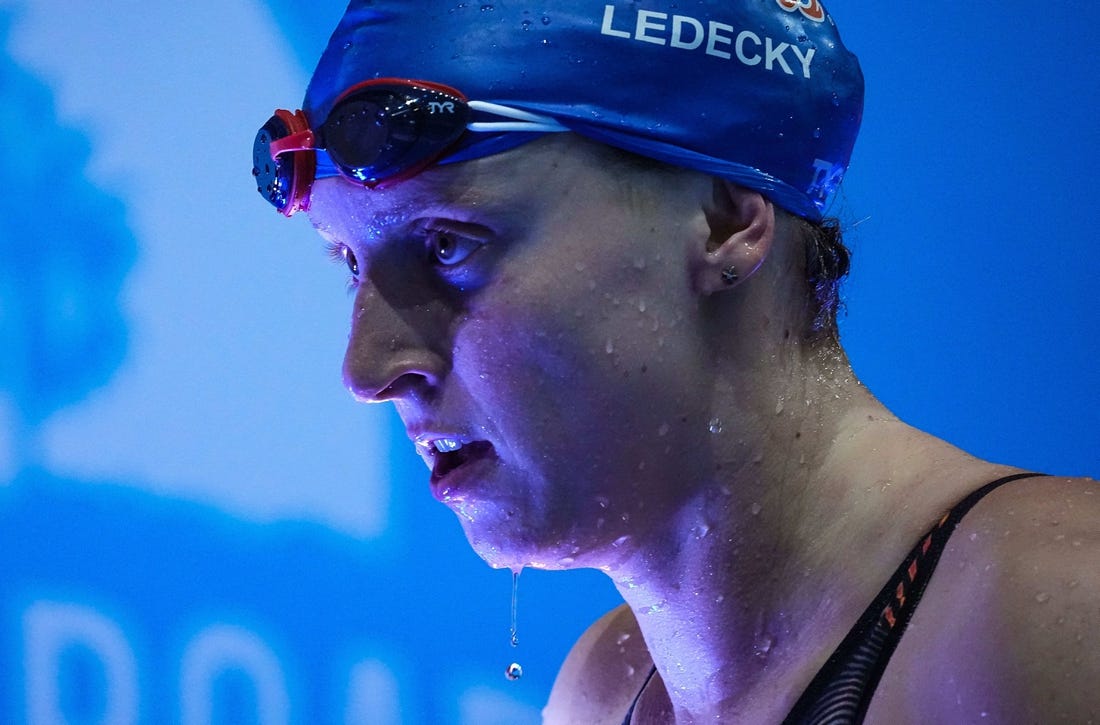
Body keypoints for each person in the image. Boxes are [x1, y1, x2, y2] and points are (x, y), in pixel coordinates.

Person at [251, 2, 1098, 722]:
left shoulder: (1053, 612)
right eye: (351, 264)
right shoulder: (603, 690)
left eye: (447, 244)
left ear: (728, 220)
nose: (366, 368)